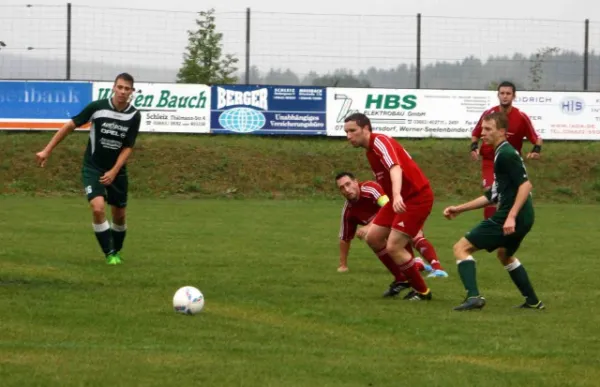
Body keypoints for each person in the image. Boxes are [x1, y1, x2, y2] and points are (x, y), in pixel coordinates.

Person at [36, 73, 141, 265]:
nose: (123, 91)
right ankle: (109, 254)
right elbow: (69, 126)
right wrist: (47, 150)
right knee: (98, 208)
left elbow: (128, 146)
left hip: (117, 171)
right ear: (113, 88)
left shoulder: (134, 115)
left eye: (127, 88)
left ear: (132, 92)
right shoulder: (97, 107)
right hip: (93, 167)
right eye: (120, 87)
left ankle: (116, 251)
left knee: (119, 215)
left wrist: (114, 171)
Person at [445, 111, 544, 311]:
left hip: (511, 216)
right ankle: (533, 301)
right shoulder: (501, 153)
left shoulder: (505, 154)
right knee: (504, 255)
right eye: (482, 129)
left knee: (461, 248)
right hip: (525, 217)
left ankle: (474, 297)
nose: (483, 133)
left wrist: (510, 217)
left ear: (502, 131)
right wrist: (460, 208)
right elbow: (493, 195)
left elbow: (526, 186)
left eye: (488, 129)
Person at [344, 113, 434, 301]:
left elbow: (395, 167)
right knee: (374, 238)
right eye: (346, 132)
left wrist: (397, 194)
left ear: (366, 128)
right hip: (398, 199)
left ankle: (422, 292)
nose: (348, 136)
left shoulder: (380, 142)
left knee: (394, 246)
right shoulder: (370, 151)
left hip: (416, 197)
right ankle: (402, 278)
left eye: (352, 131)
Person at [336, 172, 448, 283]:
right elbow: (344, 239)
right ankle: (417, 264)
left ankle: (438, 269)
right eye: (342, 188)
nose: (346, 189)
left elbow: (387, 205)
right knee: (392, 247)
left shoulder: (370, 189)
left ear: (355, 182)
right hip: (388, 228)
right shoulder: (348, 212)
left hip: (402, 210)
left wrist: (369, 226)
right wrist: (343, 265)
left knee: (415, 236)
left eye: (348, 184)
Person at [471, 81, 543, 219]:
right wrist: (474, 148)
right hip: (490, 161)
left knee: (510, 197)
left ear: (514, 96)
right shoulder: (489, 114)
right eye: (502, 93)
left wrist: (536, 150)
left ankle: (508, 225)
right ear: (498, 95)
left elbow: (537, 138)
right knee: (491, 192)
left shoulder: (521, 117)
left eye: (508, 93)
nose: (505, 96)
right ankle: (491, 228)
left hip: (511, 162)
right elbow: (475, 133)